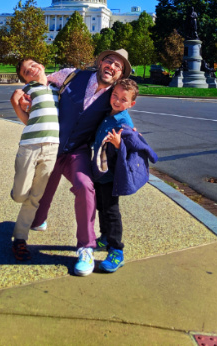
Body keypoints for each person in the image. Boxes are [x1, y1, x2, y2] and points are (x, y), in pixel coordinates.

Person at [11, 48, 131, 276]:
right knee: (37, 204)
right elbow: (40, 83)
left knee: (85, 187)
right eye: (109, 61)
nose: (112, 67)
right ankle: (39, 219)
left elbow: (123, 112)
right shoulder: (71, 75)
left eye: (118, 66)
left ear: (120, 75)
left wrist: (131, 133)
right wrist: (23, 96)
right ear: (100, 62)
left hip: (78, 152)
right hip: (51, 148)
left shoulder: (112, 96)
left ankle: (86, 248)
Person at [92, 78, 157, 273]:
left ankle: (116, 250)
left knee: (111, 211)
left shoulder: (124, 121)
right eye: (115, 96)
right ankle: (104, 237)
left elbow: (132, 146)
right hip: (101, 172)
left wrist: (120, 144)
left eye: (123, 99)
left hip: (112, 174)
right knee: (101, 207)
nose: (117, 101)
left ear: (131, 104)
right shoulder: (109, 113)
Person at [9, 58, 60, 261]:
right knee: (20, 195)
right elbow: (27, 119)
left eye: (32, 64)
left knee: (36, 197)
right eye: (24, 70)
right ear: (23, 77)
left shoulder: (58, 88)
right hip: (29, 145)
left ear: (42, 66)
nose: (29, 69)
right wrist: (15, 102)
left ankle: (20, 239)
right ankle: (17, 194)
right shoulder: (26, 91)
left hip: (52, 148)